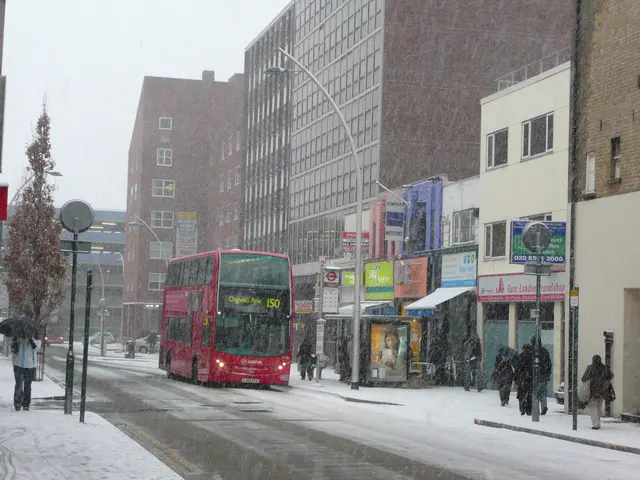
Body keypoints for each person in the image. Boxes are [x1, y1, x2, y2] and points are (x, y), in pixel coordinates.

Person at [582, 354, 614, 430]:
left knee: (592, 407)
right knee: (598, 406)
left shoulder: (590, 368)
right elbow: (611, 376)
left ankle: (596, 424)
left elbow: (584, 378)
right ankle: (597, 421)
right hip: (603, 391)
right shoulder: (605, 368)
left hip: (593, 391)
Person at [11, 334, 41, 411]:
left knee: (27, 385)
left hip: (30, 365)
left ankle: (26, 403)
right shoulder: (17, 337)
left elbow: (37, 348)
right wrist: (15, 345)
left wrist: (31, 339)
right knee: (19, 385)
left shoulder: (34, 337)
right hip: (18, 364)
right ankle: (17, 403)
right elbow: (12, 350)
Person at [530, 336, 552, 415]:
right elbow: (549, 363)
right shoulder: (544, 351)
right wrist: (548, 373)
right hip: (544, 375)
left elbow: (530, 364)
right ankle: (544, 405)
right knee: (543, 392)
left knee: (535, 392)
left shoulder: (533, 352)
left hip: (536, 375)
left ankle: (536, 410)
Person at [515, 343, 534, 415]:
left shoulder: (521, 355)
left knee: (521, 395)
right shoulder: (532, 356)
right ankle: (529, 410)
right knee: (529, 395)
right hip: (530, 379)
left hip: (522, 378)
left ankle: (522, 409)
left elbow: (518, 368)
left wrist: (516, 378)